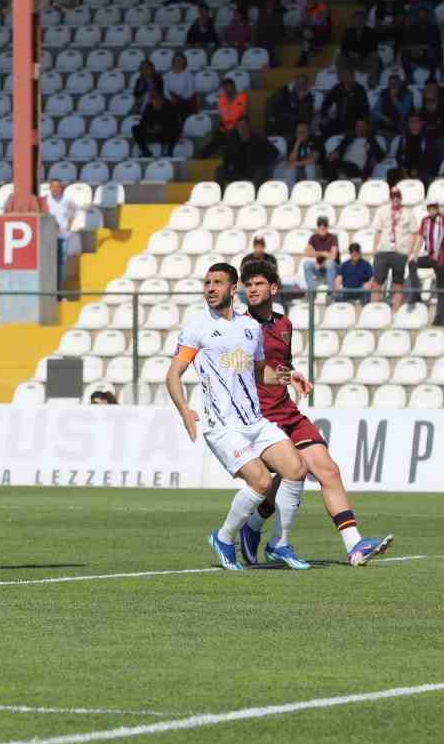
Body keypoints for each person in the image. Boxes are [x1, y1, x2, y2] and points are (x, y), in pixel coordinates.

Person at [234, 257, 393, 567]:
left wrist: (293, 375)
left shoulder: (284, 325)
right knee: (288, 474)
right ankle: (255, 528)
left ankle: (355, 545)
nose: (252, 289)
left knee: (327, 470)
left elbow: (281, 365)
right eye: (248, 284)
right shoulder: (240, 328)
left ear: (274, 288)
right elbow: (241, 371)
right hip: (260, 417)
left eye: (259, 283)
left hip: (287, 410)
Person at [164, 262, 311, 571]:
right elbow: (173, 374)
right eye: (207, 283)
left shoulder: (251, 328)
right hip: (223, 426)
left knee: (296, 469)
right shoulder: (197, 328)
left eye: (217, 282)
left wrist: (288, 378)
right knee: (261, 481)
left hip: (255, 421)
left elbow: (257, 372)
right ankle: (224, 538)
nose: (210, 288)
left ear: (233, 289)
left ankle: (279, 543)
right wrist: (184, 410)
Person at [408, 200, 444, 327]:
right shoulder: (425, 221)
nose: (431, 210)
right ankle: (416, 291)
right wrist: (415, 254)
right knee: (412, 263)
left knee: (440, 288)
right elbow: (420, 237)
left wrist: (442, 212)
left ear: (437, 208)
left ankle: (439, 319)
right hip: (430, 256)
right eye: (429, 208)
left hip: (442, 258)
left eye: (434, 208)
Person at [370, 186, 417, 309]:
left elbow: (414, 234)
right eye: (393, 196)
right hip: (383, 250)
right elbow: (378, 231)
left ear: (401, 198)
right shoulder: (382, 211)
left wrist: (409, 252)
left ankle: (395, 312)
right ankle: (373, 310)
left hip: (400, 252)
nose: (395, 198)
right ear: (390, 198)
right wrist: (375, 249)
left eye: (397, 196)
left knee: (398, 284)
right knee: (377, 282)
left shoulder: (408, 213)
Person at [215, 117, 278, 186]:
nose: (242, 129)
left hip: (254, 171)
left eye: (244, 126)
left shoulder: (259, 139)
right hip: (237, 172)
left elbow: (275, 153)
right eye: (240, 127)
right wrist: (228, 166)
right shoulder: (232, 140)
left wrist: (262, 161)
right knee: (220, 170)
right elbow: (226, 157)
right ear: (237, 128)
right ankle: (219, 191)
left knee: (261, 171)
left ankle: (253, 191)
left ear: (248, 127)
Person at [44, 177, 76, 292]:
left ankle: (60, 293)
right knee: (49, 266)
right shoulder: (45, 200)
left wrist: (69, 226)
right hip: (49, 238)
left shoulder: (67, 200)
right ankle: (50, 291)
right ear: (50, 188)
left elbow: (73, 212)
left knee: (61, 266)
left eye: (58, 187)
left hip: (62, 237)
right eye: (53, 187)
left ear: (61, 188)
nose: (55, 189)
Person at [301, 216, 340, 297]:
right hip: (320, 268)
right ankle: (312, 291)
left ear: (327, 226)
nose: (322, 226)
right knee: (306, 264)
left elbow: (333, 256)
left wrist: (318, 257)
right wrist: (323, 253)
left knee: (329, 263)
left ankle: (330, 293)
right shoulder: (313, 237)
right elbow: (306, 252)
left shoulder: (333, 237)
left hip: (332, 269)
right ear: (317, 226)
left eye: (324, 224)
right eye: (319, 224)